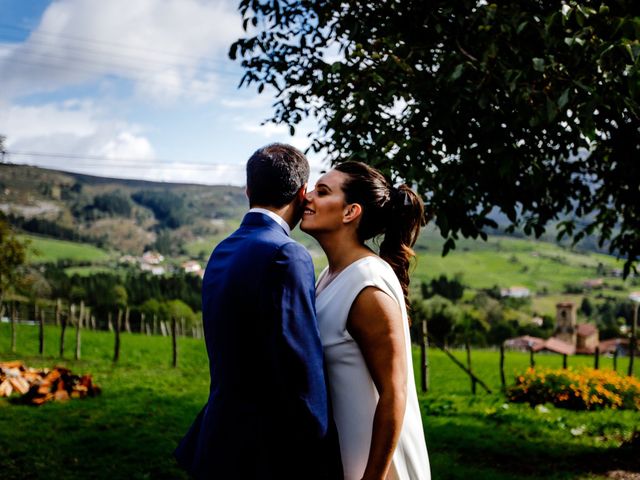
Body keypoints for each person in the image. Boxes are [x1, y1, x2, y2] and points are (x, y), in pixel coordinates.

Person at [174, 144, 342, 479]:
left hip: (220, 438)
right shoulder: (286, 254)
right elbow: (300, 365)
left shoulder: (224, 249)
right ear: (302, 192)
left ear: (248, 190)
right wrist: (323, 447)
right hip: (265, 451)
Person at [300, 161, 431, 480]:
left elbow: (394, 392)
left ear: (350, 212)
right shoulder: (328, 277)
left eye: (322, 191)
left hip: (380, 469)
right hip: (344, 460)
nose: (307, 197)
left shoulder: (367, 284)